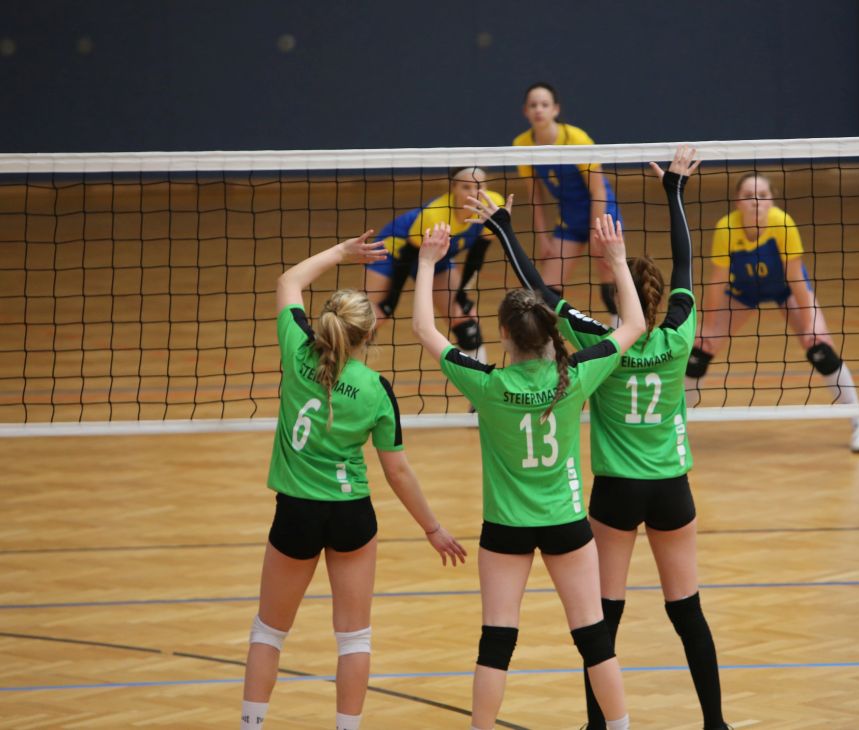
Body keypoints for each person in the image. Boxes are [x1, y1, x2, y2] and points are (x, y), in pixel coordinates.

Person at [470, 146, 731, 730]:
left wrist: (504, 227)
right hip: (671, 487)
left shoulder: (596, 346)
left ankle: (598, 727)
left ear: (614, 296)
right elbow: (686, 264)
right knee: (687, 611)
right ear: (658, 297)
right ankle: (715, 724)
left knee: (601, 622)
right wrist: (674, 192)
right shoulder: (679, 335)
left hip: (616, 491)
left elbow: (537, 290)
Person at [412, 213, 645, 730]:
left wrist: (427, 262)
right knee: (594, 638)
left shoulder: (487, 385)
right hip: (565, 522)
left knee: (496, 641)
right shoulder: (575, 376)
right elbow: (633, 326)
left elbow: (425, 329)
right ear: (551, 333)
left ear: (503, 335)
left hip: (506, 528)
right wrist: (615, 259)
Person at [241, 231, 466, 730]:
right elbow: (397, 470)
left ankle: (251, 725)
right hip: (350, 514)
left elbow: (288, 281)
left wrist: (342, 253)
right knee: (354, 638)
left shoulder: (297, 350)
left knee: (269, 632)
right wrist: (432, 528)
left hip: (296, 511)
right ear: (369, 335)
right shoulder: (375, 391)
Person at [686, 173, 859, 453]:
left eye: (762, 195)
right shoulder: (726, 228)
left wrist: (810, 324)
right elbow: (717, 281)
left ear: (771, 200)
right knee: (701, 348)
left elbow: (795, 277)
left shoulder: (782, 223)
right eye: (748, 196)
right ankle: (676, 425)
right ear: (737, 202)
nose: (755, 201)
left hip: (786, 289)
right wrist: (708, 326)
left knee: (819, 345)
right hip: (742, 291)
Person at [362, 167, 506, 362]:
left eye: (479, 186)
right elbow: (407, 257)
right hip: (393, 254)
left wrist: (462, 295)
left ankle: (481, 378)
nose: (474, 193)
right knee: (370, 319)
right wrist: (390, 303)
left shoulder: (493, 206)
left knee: (466, 321)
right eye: (466, 187)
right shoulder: (435, 216)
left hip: (435, 257)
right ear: (453, 188)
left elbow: (477, 256)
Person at [513, 82, 621, 315]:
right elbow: (535, 196)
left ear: (555, 109)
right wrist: (543, 238)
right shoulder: (522, 145)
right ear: (525, 111)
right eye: (533, 105)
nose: (539, 109)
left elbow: (598, 191)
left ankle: (624, 333)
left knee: (611, 286)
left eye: (544, 104)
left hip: (601, 213)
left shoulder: (576, 139)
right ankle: (552, 338)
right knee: (546, 295)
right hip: (570, 218)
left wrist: (596, 233)